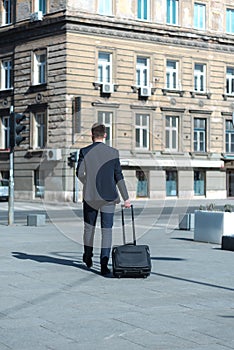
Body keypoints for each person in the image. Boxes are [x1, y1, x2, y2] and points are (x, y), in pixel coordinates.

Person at [76, 123, 131, 276]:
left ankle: (88, 256)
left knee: (89, 228)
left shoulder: (84, 151)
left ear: (92, 135)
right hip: (109, 197)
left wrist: (89, 184)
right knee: (107, 231)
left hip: (90, 196)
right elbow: (118, 175)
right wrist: (126, 198)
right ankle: (104, 264)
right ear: (105, 135)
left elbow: (80, 173)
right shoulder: (113, 152)